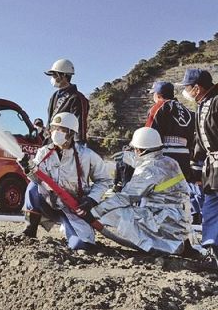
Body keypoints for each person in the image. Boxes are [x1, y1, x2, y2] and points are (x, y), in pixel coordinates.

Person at [91, 127, 190, 254]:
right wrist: (128, 157)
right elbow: (148, 160)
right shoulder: (170, 162)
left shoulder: (148, 170)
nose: (134, 151)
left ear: (140, 150)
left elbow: (125, 197)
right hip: (180, 219)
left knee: (114, 215)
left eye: (134, 149)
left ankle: (163, 247)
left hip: (165, 223)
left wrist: (95, 211)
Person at [21, 112, 111, 250]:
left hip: (75, 209)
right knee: (33, 187)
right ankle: (29, 231)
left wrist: (91, 200)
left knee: (80, 246)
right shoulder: (44, 152)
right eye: (53, 129)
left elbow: (104, 180)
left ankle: (71, 229)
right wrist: (27, 169)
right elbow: (38, 178)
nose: (55, 133)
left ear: (70, 133)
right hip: (50, 204)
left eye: (60, 129)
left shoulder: (86, 155)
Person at [144, 80, 200, 221]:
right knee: (180, 194)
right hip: (184, 157)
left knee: (157, 193)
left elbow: (149, 135)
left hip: (165, 156)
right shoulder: (188, 112)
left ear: (157, 94)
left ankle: (156, 226)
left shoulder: (158, 107)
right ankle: (183, 226)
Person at [180, 69, 218, 266]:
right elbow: (199, 141)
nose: (186, 91)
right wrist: (196, 168)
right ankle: (213, 251)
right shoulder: (202, 106)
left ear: (197, 88)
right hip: (213, 168)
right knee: (210, 206)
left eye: (187, 87)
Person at [45, 58, 89, 143]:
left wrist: (79, 143)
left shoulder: (77, 98)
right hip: (52, 142)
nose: (52, 79)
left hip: (67, 144)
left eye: (54, 75)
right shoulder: (54, 96)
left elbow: (80, 124)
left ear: (64, 76)